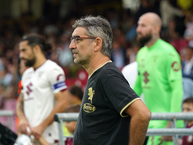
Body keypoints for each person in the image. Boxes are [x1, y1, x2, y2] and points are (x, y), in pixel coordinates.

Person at [69, 15, 151, 145]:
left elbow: (142, 114)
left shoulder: (107, 75)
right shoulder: (99, 74)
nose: (71, 45)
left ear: (97, 43)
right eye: (72, 39)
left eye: (77, 39)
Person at [133, 12, 184, 145]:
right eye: (138, 25)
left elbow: (177, 89)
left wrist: (171, 122)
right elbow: (138, 87)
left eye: (143, 26)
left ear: (156, 28)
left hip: (167, 124)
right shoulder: (141, 53)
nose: (138, 29)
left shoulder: (169, 52)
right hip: (151, 122)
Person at [16, 33, 68, 144]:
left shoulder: (53, 70)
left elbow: (63, 102)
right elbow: (20, 102)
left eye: (24, 50)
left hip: (48, 138)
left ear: (36, 49)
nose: (21, 55)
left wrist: (41, 126)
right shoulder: (26, 74)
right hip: (30, 139)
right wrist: (22, 119)